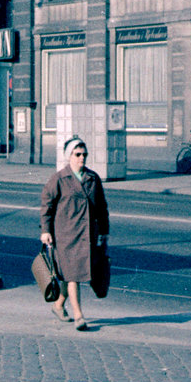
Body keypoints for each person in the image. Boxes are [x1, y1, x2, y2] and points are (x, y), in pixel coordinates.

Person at [40, 135, 109, 331]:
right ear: (68, 156)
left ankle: (59, 304)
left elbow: (102, 208)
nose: (82, 158)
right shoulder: (59, 179)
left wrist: (104, 232)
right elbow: (47, 205)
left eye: (84, 154)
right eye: (77, 154)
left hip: (88, 235)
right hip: (66, 236)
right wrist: (45, 231)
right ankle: (79, 316)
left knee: (75, 274)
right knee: (74, 276)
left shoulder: (93, 179)